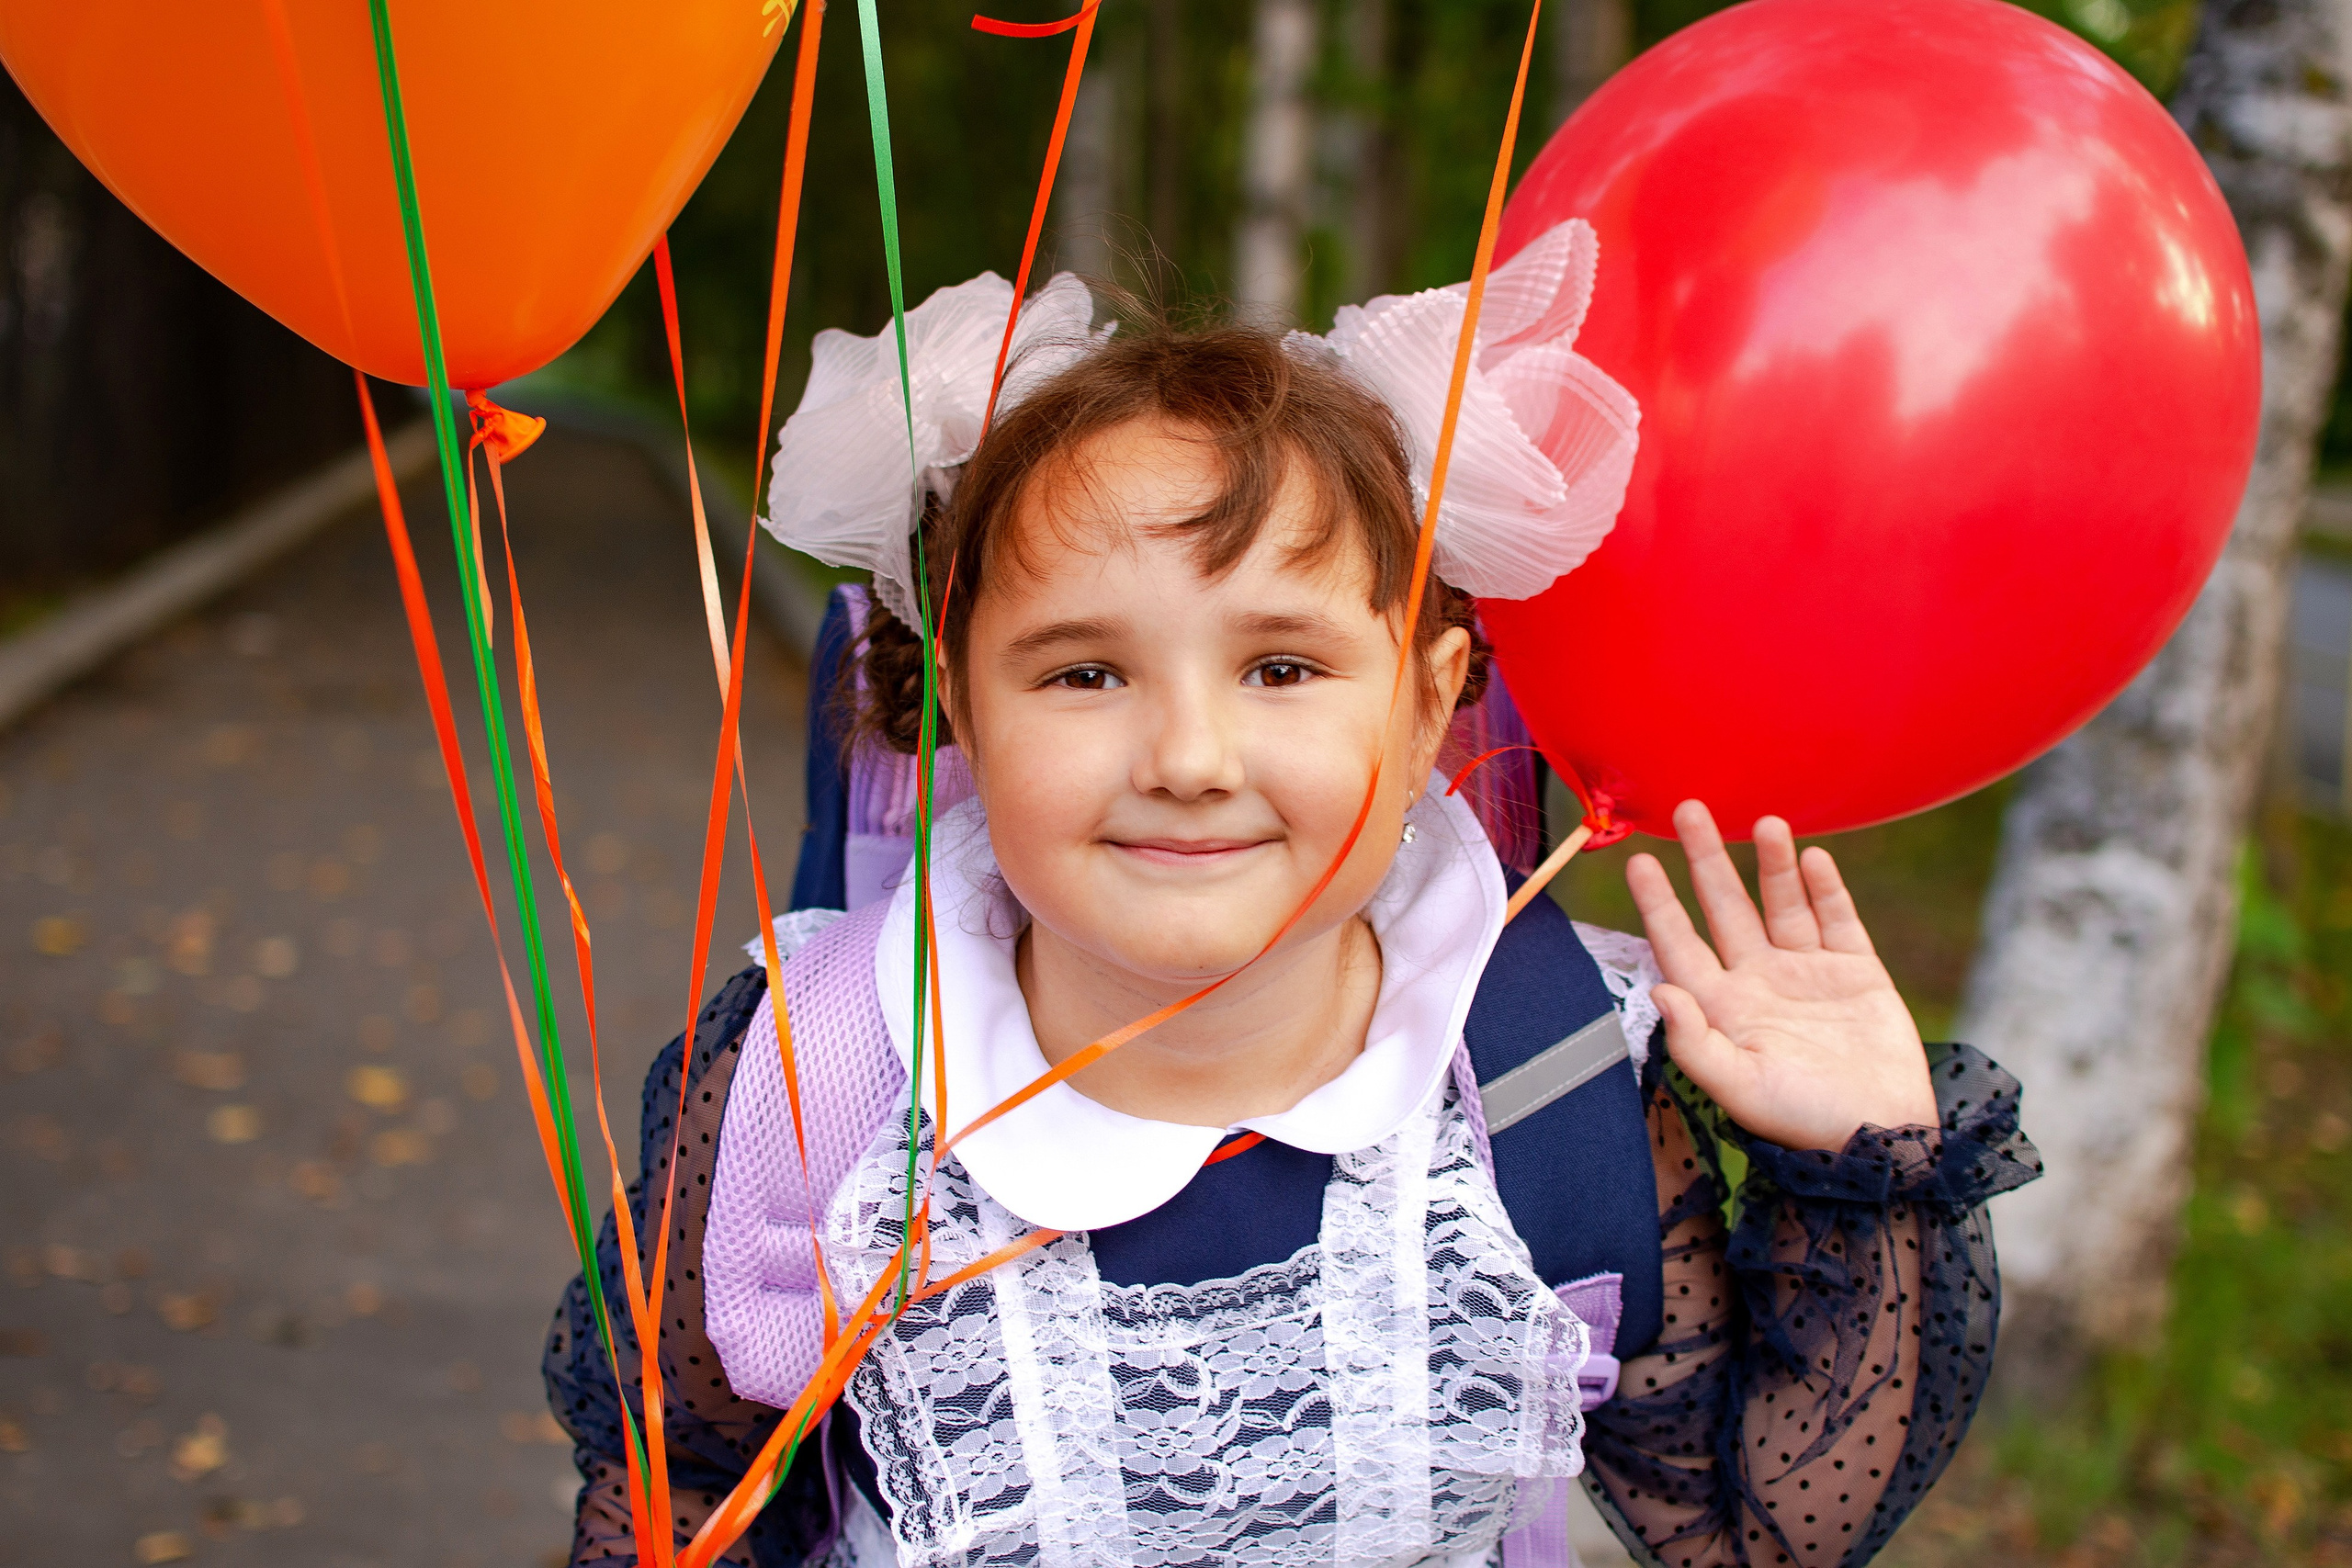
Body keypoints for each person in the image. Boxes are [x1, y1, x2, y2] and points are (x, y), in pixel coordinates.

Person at [544, 230, 2041, 1568]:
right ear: (962, 705)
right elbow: (677, 1500)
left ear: (1423, 712)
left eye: (1281, 668)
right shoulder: (825, 1080)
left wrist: (1862, 1164)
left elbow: (1750, 1529)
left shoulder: (1544, 1072)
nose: (1190, 759)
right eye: (1083, 672)